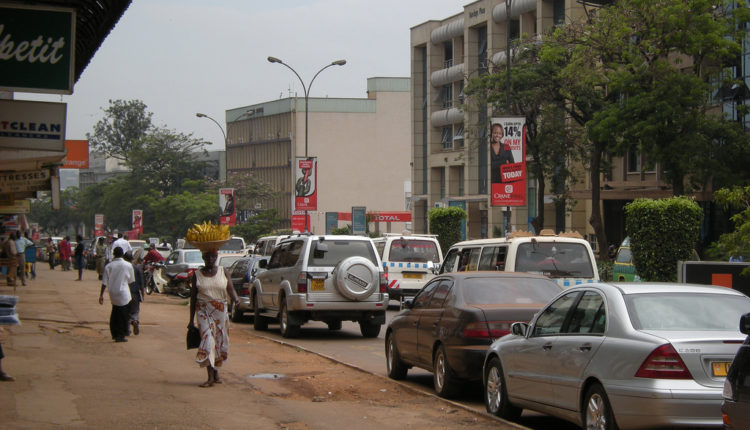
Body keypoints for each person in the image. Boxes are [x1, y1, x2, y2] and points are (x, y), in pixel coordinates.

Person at [188, 248, 238, 387]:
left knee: (220, 342)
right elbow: (193, 298)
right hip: (203, 311)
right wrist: (191, 320)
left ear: (216, 257)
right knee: (208, 341)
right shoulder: (197, 275)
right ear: (203, 258)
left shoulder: (223, 271)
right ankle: (209, 377)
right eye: (207, 257)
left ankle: (215, 371)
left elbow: (231, 289)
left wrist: (236, 299)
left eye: (212, 257)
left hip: (220, 312)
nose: (210, 259)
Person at [99, 246, 134, 342]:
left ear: (114, 254)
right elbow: (131, 281)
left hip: (113, 293)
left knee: (115, 312)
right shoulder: (128, 265)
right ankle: (120, 334)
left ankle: (115, 333)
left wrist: (101, 295)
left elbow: (104, 282)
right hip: (124, 293)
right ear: (122, 254)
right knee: (123, 315)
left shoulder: (109, 266)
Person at [123, 251, 145, 336]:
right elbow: (141, 282)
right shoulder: (136, 268)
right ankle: (135, 320)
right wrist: (142, 294)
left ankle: (127, 330)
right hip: (135, 293)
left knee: (126, 311)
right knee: (135, 310)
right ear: (132, 259)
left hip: (125, 293)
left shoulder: (123, 267)